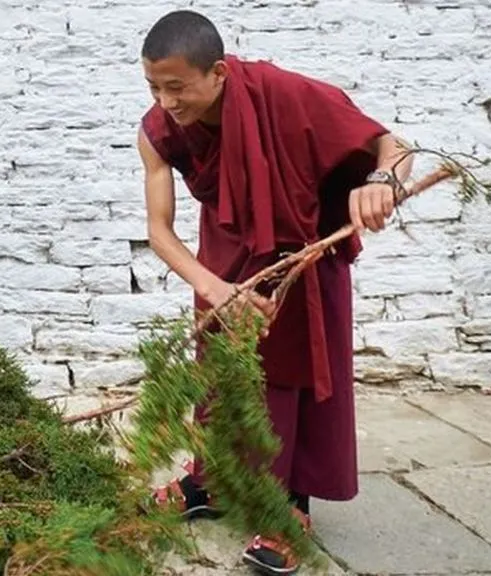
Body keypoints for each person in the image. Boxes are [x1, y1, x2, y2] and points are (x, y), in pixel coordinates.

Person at [136, 10, 412, 575]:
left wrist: (382, 182)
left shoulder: (284, 94)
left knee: (291, 384)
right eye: (153, 87)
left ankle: (289, 508)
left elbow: (394, 146)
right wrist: (218, 291)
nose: (166, 102)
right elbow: (159, 232)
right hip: (224, 261)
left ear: (217, 73)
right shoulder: (157, 131)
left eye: (177, 87)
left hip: (302, 260)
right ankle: (210, 483)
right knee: (220, 374)